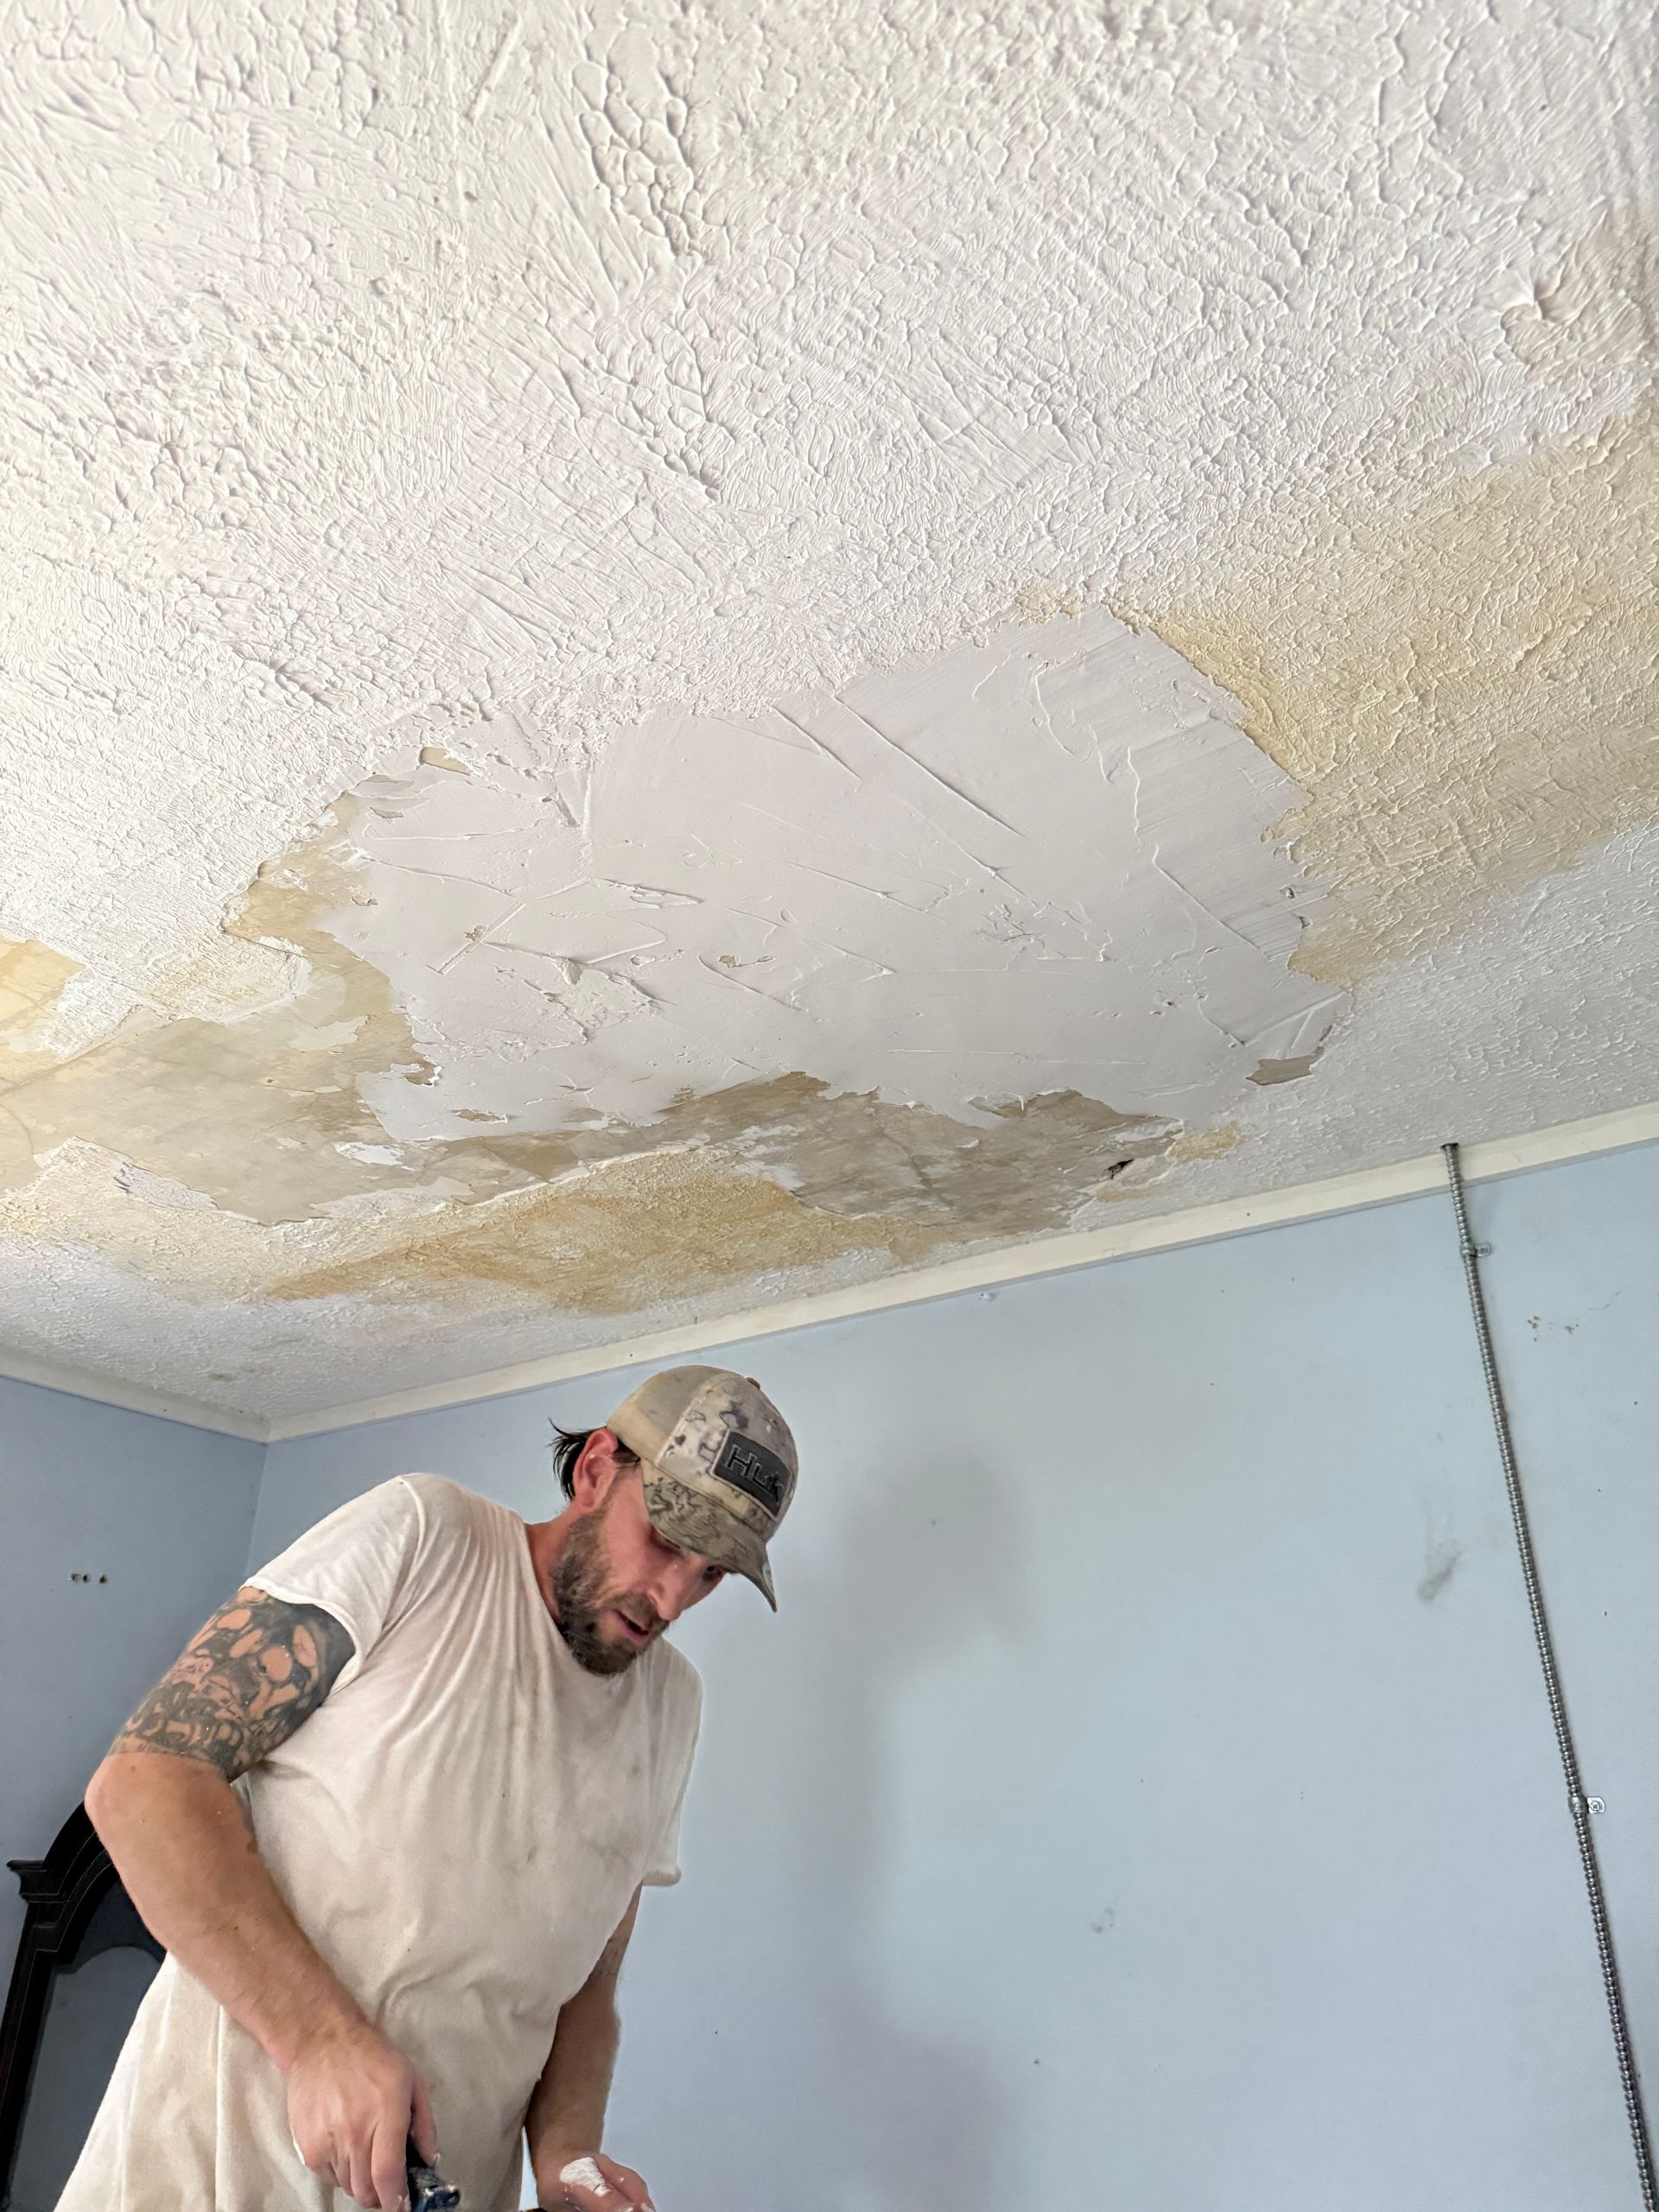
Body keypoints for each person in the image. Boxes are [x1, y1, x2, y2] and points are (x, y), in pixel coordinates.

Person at [62, 1365, 798, 2212]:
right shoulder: (425, 1540)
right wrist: (318, 2039)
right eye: (666, 1540)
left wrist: (567, 2156)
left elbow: (586, 1985)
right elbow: (146, 1782)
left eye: (711, 1575)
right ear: (598, 1468)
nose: (672, 1595)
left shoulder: (672, 1706)